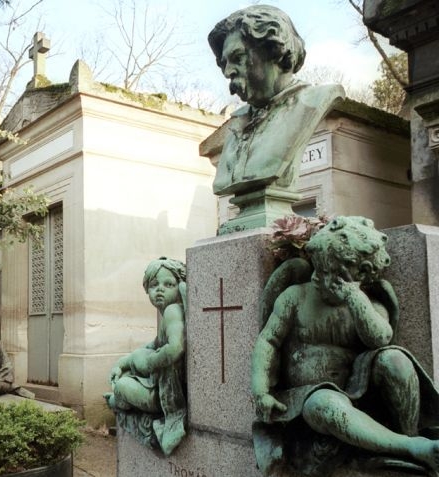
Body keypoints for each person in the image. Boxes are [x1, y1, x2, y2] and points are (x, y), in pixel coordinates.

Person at [252, 216, 439, 475]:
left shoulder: (368, 303)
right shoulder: (296, 296)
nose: (319, 278)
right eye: (317, 268)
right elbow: (268, 340)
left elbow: (381, 338)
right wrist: (261, 390)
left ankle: (409, 438)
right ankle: (407, 447)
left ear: (360, 273)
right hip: (307, 397)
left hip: (355, 390)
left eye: (331, 273)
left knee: (395, 359)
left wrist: (353, 297)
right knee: (325, 404)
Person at [207, 6, 344, 231]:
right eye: (224, 63)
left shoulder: (311, 102)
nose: (227, 72)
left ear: (274, 51)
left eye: (238, 58)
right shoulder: (236, 123)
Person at [104, 257, 187, 456]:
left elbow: (176, 348)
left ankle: (117, 401)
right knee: (125, 377)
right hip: (160, 388)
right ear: (146, 289)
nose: (160, 289)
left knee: (123, 385)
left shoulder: (172, 311)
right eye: (154, 284)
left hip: (166, 396)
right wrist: (124, 362)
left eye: (169, 284)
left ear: (180, 285)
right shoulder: (167, 313)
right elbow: (154, 345)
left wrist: (147, 364)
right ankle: (119, 399)